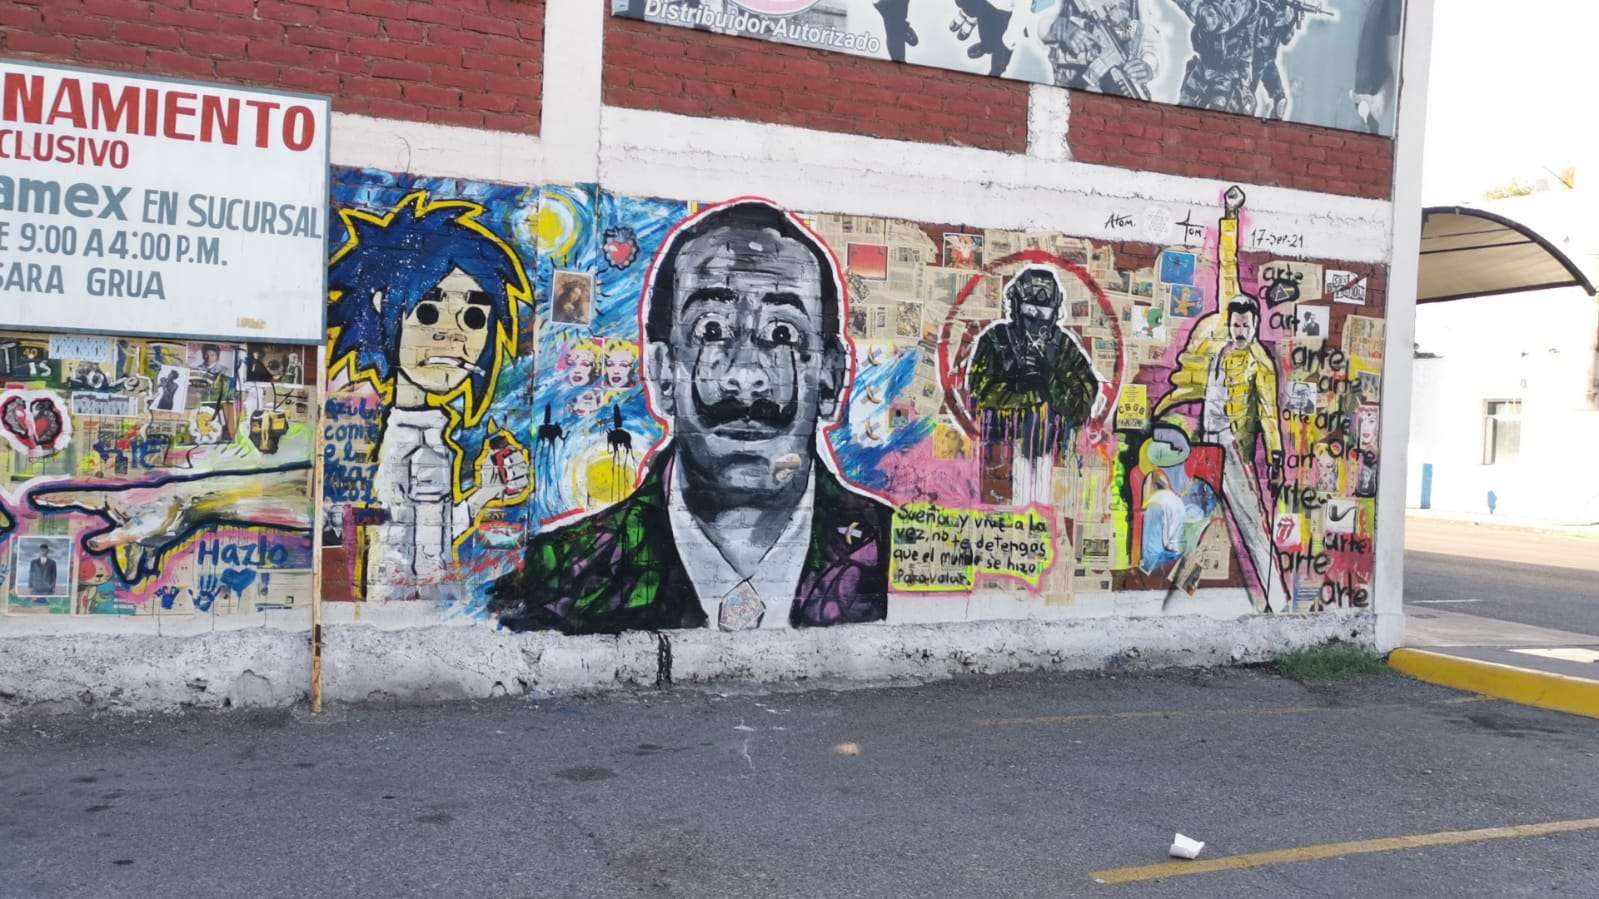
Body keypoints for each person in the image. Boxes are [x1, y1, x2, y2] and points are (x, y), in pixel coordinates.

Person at [490, 200, 892, 634]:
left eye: (782, 334)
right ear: (662, 373)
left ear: (830, 379)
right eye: (712, 331)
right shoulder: (558, 580)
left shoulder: (892, 556)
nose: (745, 377)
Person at [326, 192, 534, 603]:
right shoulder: (404, 444)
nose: (452, 336)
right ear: (383, 305)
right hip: (407, 607)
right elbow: (398, 553)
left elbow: (432, 538)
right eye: (427, 311)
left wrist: (484, 493)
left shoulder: (423, 435)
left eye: (473, 317)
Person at [1153, 186, 1288, 612]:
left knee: (1251, 524)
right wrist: (1229, 219)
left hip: (1233, 451)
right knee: (1193, 521)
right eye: (1235, 324)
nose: (1239, 331)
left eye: (1246, 326)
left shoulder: (1259, 363)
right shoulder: (1220, 345)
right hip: (1206, 446)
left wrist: (1276, 458)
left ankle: (1278, 601)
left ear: (1255, 326)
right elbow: (1227, 269)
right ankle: (1174, 603)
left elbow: (1269, 415)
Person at [967, 265, 1104, 504]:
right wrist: (1023, 391)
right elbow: (979, 393)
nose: (1036, 320)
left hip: (1053, 453)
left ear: (1054, 312)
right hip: (1002, 452)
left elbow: (1083, 401)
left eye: (1043, 312)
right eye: (1029, 310)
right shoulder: (996, 340)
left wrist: (1049, 381)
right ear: (1016, 307)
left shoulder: (1063, 347)